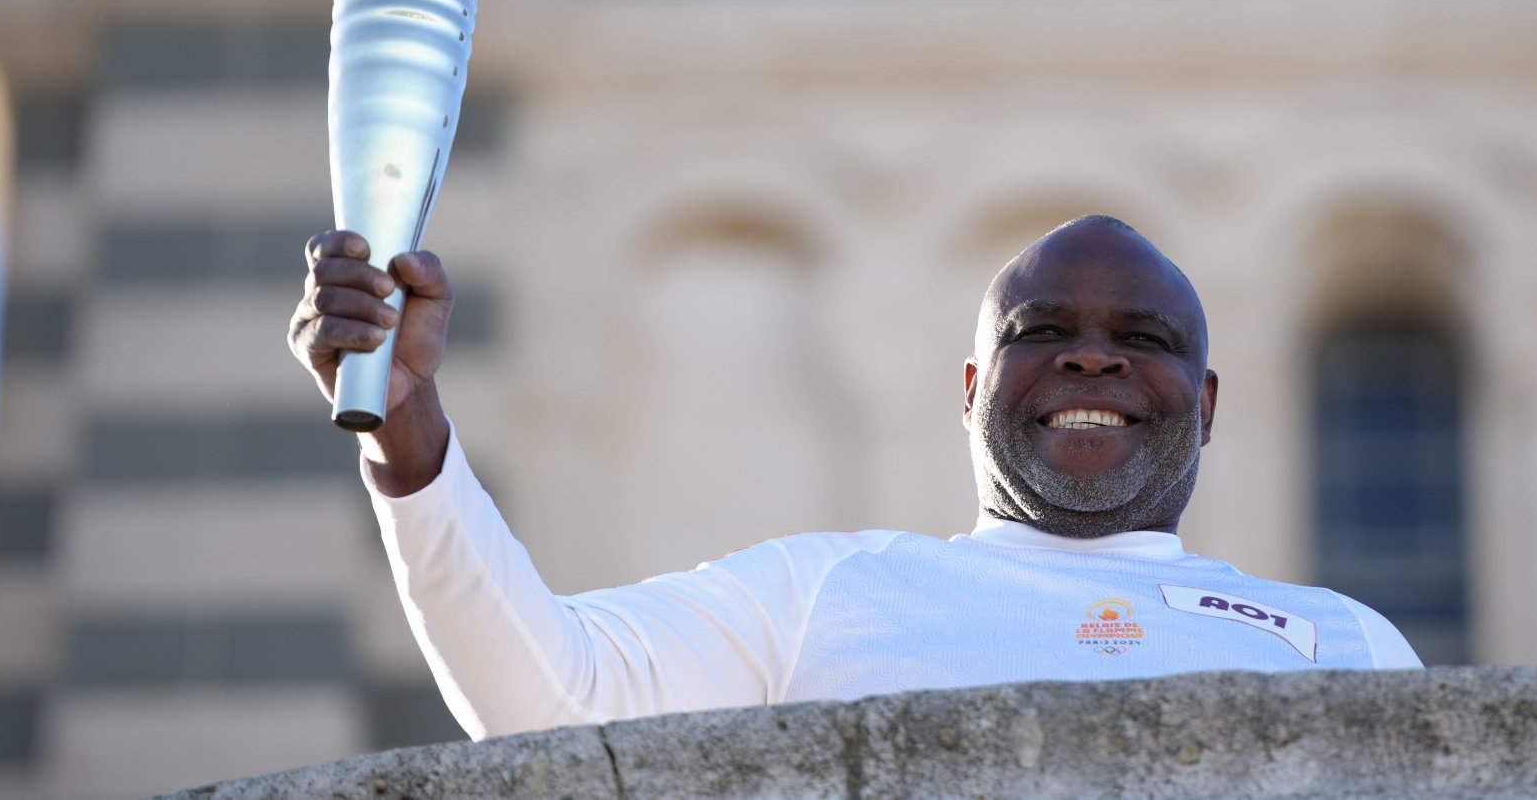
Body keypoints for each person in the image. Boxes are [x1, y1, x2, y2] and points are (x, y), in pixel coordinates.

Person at [288, 214, 1420, 740]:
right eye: (1042, 331)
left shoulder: (1340, 644)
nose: (1090, 356)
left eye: (1143, 338)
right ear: (971, 386)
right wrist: (406, 424)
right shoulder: (822, 593)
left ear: (1207, 404)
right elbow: (545, 702)